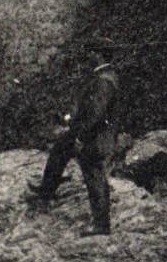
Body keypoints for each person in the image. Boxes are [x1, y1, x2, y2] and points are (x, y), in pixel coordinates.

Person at [26, 61, 120, 235]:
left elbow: (96, 115)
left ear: (97, 56)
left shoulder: (103, 81)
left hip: (95, 137)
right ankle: (46, 192)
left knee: (94, 174)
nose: (86, 58)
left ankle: (101, 225)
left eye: (90, 54)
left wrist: (80, 138)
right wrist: (72, 121)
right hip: (92, 133)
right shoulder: (105, 77)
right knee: (60, 149)